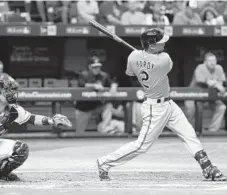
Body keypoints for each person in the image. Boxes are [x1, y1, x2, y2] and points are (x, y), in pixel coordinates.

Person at [96, 28, 226, 182]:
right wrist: (146, 59)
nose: (164, 43)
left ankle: (208, 168)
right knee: (141, 146)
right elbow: (152, 64)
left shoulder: (133, 56)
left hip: (169, 104)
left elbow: (131, 72)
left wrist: (141, 58)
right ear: (151, 46)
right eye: (160, 42)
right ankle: (104, 162)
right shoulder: (164, 59)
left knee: (189, 134)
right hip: (154, 109)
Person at [75, 56, 118, 134]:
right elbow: (81, 84)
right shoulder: (84, 74)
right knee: (79, 133)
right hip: (83, 108)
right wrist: (94, 86)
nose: (97, 69)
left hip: (97, 106)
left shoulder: (104, 75)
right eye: (94, 67)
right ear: (90, 67)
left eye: (98, 67)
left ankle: (105, 128)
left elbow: (113, 82)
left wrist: (114, 86)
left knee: (108, 106)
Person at [185, 52, 226, 132]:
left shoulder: (219, 68)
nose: (212, 62)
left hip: (210, 95)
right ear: (205, 62)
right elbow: (203, 82)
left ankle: (212, 130)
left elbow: (221, 83)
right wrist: (216, 84)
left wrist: (218, 85)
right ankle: (188, 131)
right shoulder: (200, 67)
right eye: (210, 61)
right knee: (191, 109)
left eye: (214, 60)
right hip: (193, 94)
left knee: (221, 107)